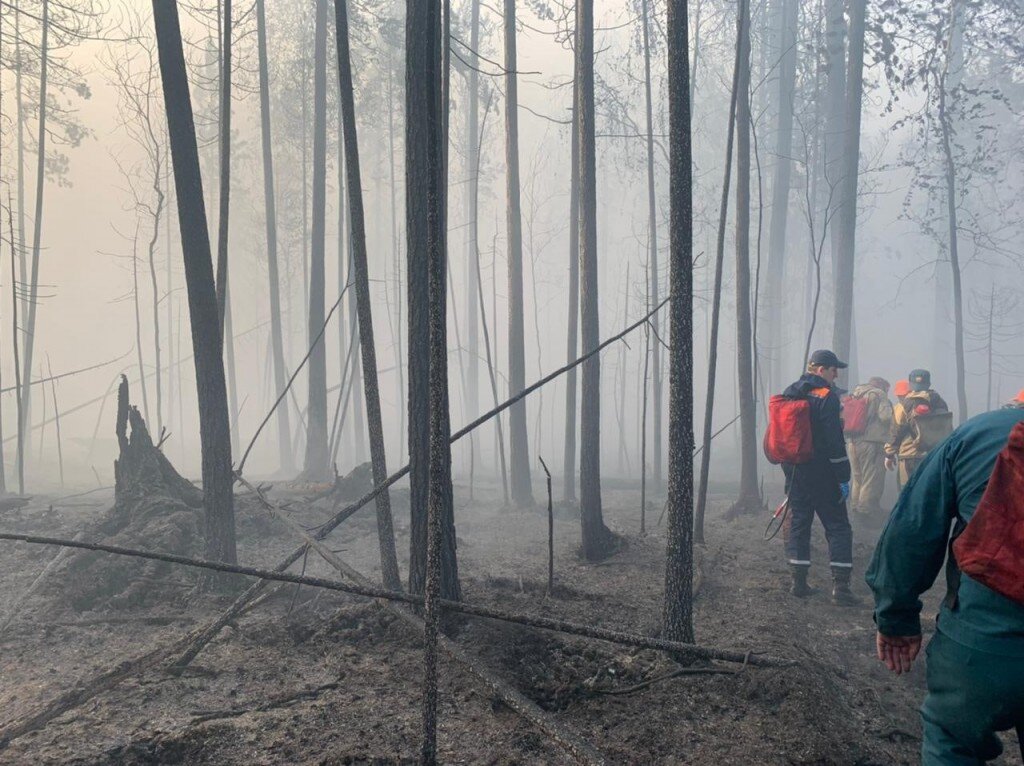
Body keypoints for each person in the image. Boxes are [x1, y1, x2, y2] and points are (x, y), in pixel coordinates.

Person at [866, 406, 1024, 764]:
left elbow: (911, 531)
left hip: (982, 637)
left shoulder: (978, 435)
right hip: (985, 634)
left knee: (953, 740)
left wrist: (896, 619)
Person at [779, 349, 857, 606]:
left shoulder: (791, 391)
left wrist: (788, 472)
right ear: (821, 369)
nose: (836, 375)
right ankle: (841, 588)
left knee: (800, 523)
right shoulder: (827, 397)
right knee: (838, 526)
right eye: (834, 370)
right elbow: (835, 442)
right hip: (823, 473)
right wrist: (844, 475)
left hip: (796, 470)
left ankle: (798, 583)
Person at [885, 369, 951, 487]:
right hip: (935, 454)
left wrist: (889, 454)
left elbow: (896, 431)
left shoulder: (904, 404)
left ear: (910, 384)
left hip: (909, 455)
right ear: (929, 383)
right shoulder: (940, 402)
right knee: (928, 490)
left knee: (907, 492)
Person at [845, 377, 894, 521]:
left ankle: (855, 507)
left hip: (853, 441)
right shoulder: (878, 394)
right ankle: (865, 511)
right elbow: (886, 417)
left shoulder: (856, 393)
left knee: (857, 476)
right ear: (882, 386)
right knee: (870, 477)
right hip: (871, 442)